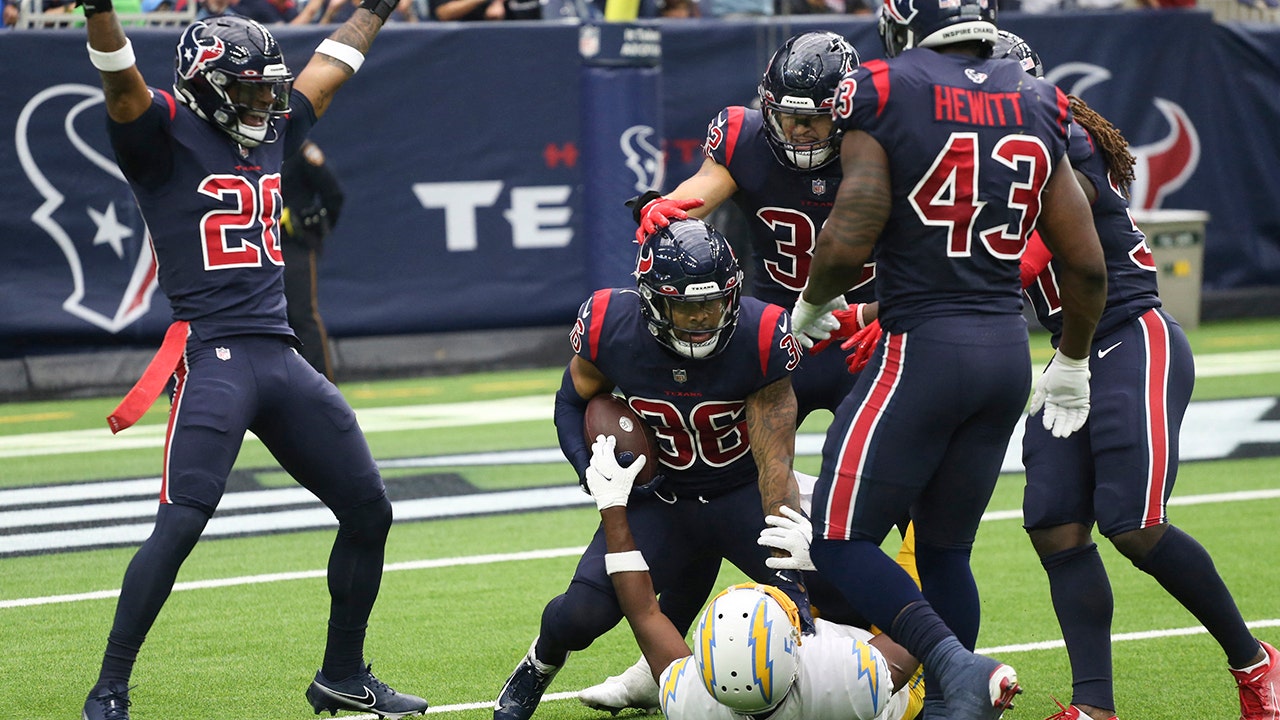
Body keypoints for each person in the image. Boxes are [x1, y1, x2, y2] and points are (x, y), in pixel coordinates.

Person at [79, 6, 428, 720]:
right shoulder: (160, 137)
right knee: (180, 522)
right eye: (252, 89)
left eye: (270, 88)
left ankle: (342, 675)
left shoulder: (272, 127)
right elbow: (120, 81)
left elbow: (329, 72)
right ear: (207, 85)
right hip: (213, 353)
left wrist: (375, 9)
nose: (269, 101)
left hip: (279, 354)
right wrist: (99, 11)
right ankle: (109, 687)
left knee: (369, 509)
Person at [787, 1, 1109, 718]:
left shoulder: (882, 86)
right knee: (944, 549)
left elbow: (854, 225)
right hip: (1005, 353)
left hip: (923, 348)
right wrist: (1074, 361)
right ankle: (950, 707)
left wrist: (811, 307)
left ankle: (957, 667)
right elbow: (1085, 265)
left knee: (838, 539)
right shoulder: (1040, 98)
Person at [587, 32, 916, 714]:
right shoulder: (744, 137)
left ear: (846, 106)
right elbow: (701, 192)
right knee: (736, 497)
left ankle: (909, 646)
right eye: (787, 115)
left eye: (815, 116)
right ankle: (686, 656)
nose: (798, 131)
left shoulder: (885, 132)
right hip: (781, 336)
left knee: (898, 493)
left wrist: (886, 313)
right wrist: (667, 209)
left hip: (865, 336)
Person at [994, 31, 1280, 720]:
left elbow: (1026, 257)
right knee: (1054, 523)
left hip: (1132, 338)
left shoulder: (1067, 149)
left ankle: (1256, 662)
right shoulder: (984, 167)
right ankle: (1096, 707)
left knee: (1133, 522)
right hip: (1070, 356)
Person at [492, 218, 814, 720]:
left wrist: (788, 560)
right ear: (652, 300)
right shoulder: (612, 327)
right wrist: (592, 473)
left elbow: (776, 459)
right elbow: (570, 402)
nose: (704, 317)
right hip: (658, 502)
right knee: (580, 617)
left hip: (741, 496)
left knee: (826, 601)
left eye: (714, 301)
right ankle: (539, 662)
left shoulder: (760, 333)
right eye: (686, 304)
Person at [579, 431, 921, 720]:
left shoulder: (695, 701)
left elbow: (644, 611)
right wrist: (831, 561)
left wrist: (612, 506)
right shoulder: (852, 679)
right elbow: (921, 617)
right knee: (926, 540)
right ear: (796, 645)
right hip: (890, 672)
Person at [281, 139, 344, 380]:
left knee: (300, 314)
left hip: (292, 244)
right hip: (253, 245)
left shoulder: (297, 148)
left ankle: (323, 387)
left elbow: (333, 194)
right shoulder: (244, 146)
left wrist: (314, 229)